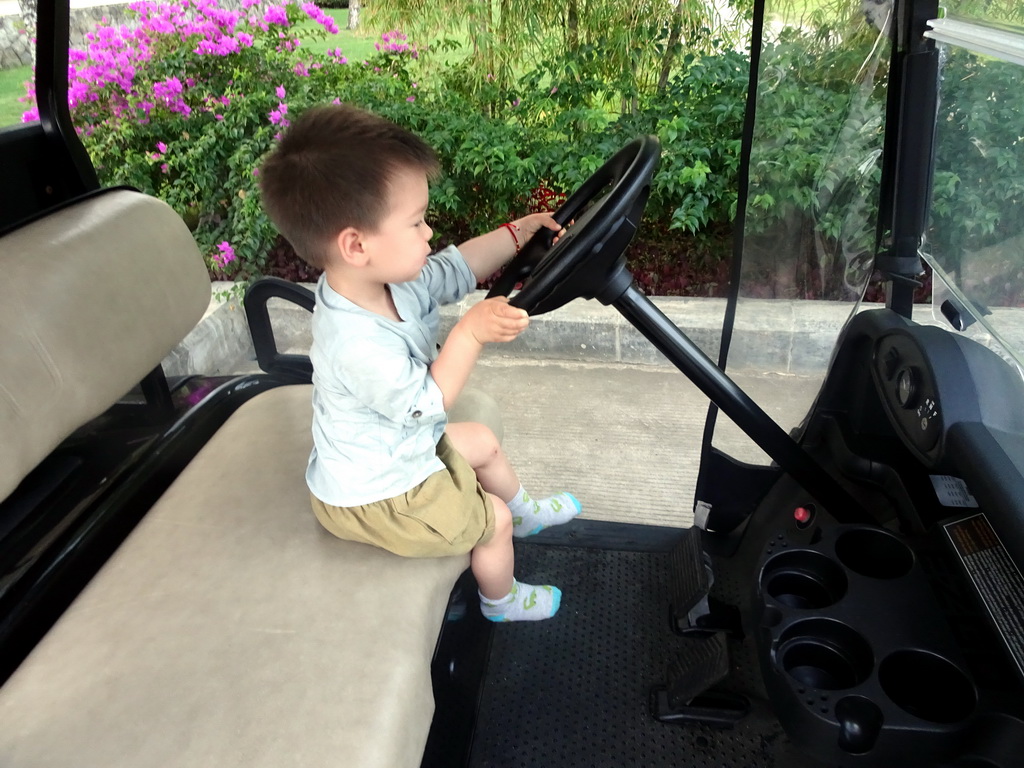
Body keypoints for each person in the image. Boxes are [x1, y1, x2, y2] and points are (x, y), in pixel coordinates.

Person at [258, 104, 581, 622]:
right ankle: (502, 601)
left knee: (483, 442)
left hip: (394, 449)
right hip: (377, 493)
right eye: (415, 223)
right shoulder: (355, 342)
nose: (429, 232)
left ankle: (527, 515)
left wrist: (521, 232)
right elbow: (428, 404)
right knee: (490, 518)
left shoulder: (391, 280)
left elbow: (457, 267)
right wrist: (470, 332)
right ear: (356, 245)